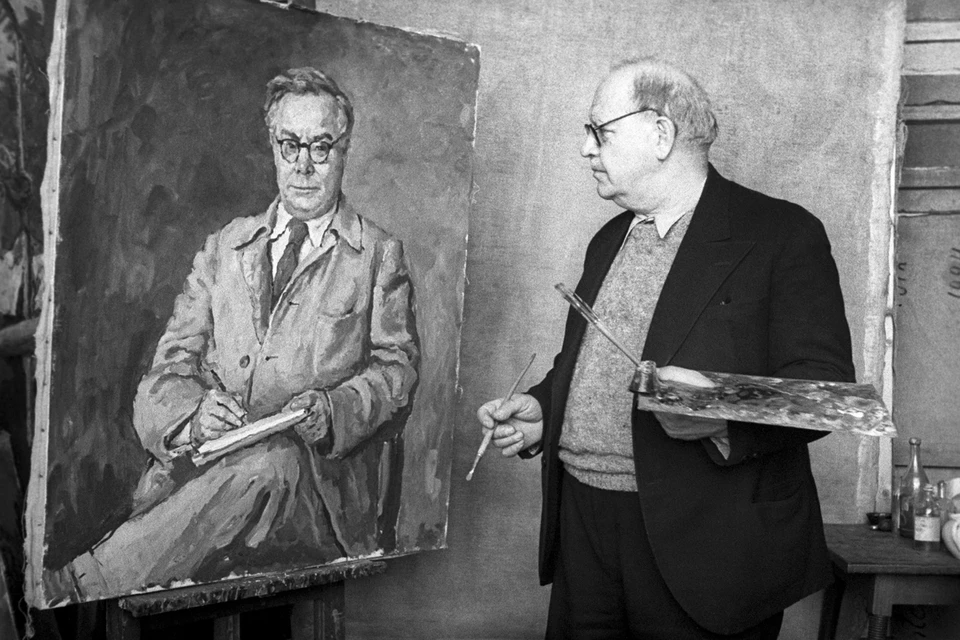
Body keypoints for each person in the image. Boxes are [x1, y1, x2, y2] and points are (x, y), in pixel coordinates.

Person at [478, 58, 854, 639]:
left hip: (710, 547)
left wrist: (716, 413)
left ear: (660, 134)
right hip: (583, 527)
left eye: (599, 131)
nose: (585, 148)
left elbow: (826, 395)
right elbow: (589, 362)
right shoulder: (608, 238)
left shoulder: (783, 233)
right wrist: (545, 410)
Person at [57, 67, 420, 599]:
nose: (303, 165)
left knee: (273, 464)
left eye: (321, 147)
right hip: (198, 487)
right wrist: (192, 417)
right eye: (290, 145)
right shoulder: (225, 247)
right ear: (273, 148)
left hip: (317, 497)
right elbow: (162, 377)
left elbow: (398, 372)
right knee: (242, 474)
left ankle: (85, 583)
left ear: (344, 152)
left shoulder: (378, 255)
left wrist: (336, 409)